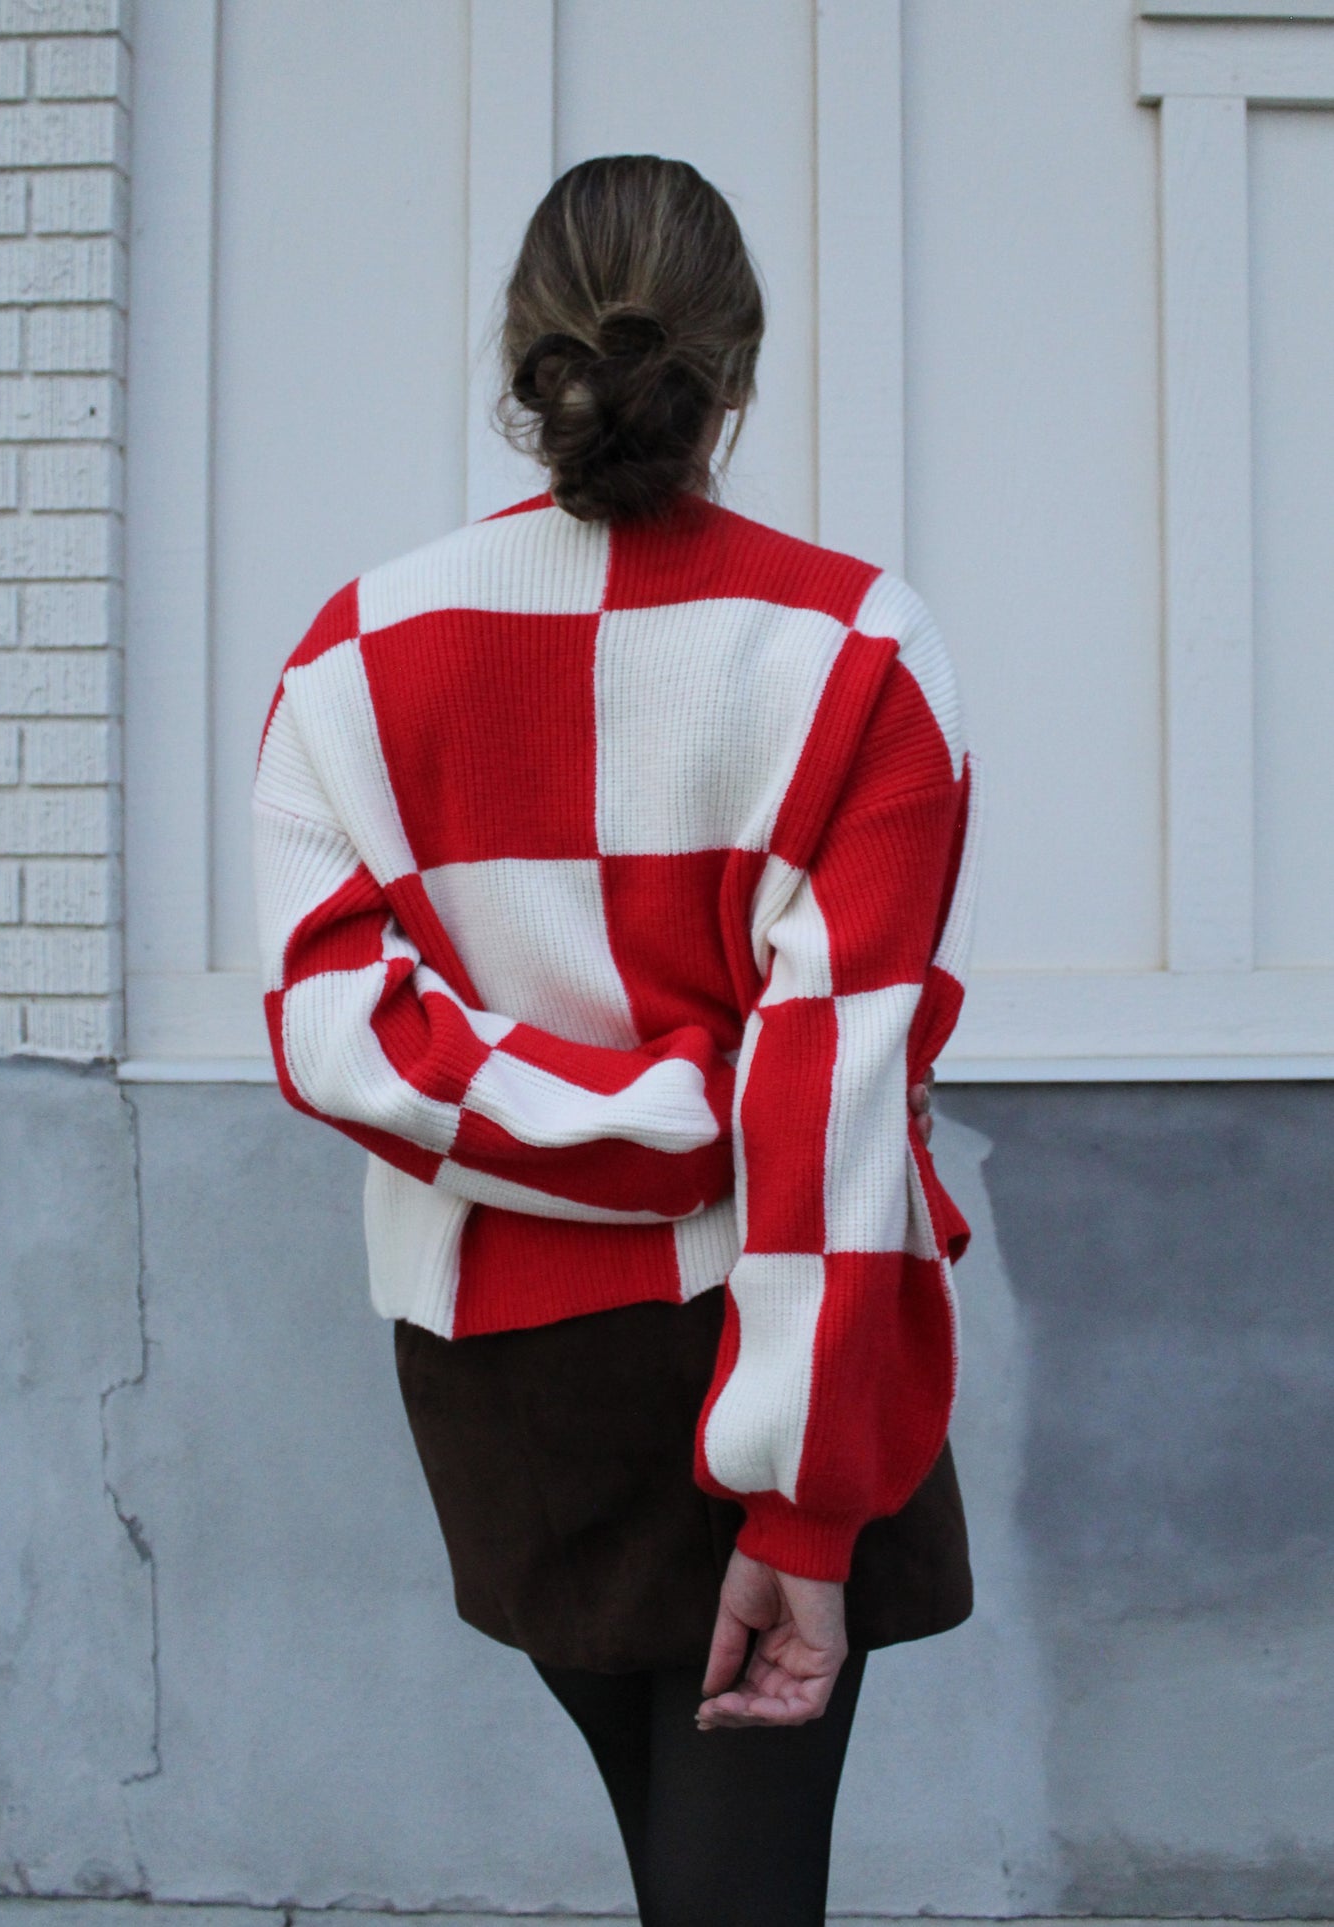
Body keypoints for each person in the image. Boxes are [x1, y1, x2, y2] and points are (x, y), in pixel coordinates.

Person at [252, 153, 983, 1927]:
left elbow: (341, 1034)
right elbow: (830, 1089)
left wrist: (631, 1121)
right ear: (736, 372)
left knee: (686, 1868)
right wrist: (803, 1522)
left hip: (509, 1374)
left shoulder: (353, 656)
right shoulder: (856, 650)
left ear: (524, 359)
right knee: (737, 1885)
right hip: (782, 1328)